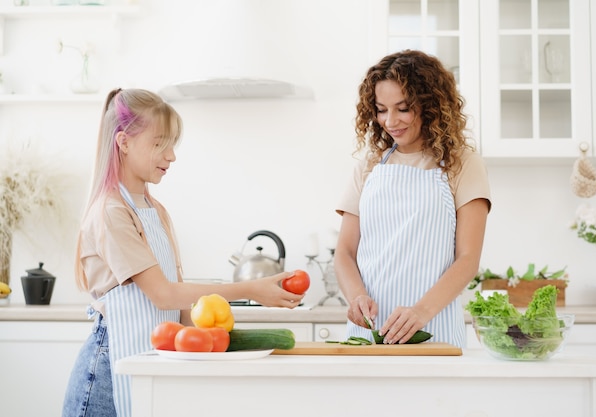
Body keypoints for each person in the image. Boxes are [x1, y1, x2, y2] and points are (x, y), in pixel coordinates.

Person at [61, 88, 304, 417]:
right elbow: (163, 294)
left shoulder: (155, 210)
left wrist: (205, 350)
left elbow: (179, 298)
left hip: (151, 361)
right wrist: (251, 290)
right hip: (108, 372)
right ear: (124, 142)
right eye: (160, 143)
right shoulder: (111, 211)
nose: (172, 155)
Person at [334, 50, 491, 348]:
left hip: (435, 330)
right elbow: (344, 251)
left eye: (403, 108)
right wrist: (356, 297)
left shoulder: (462, 164)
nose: (390, 121)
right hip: (369, 332)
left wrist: (421, 312)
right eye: (381, 110)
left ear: (430, 105)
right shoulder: (369, 165)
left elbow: (468, 259)